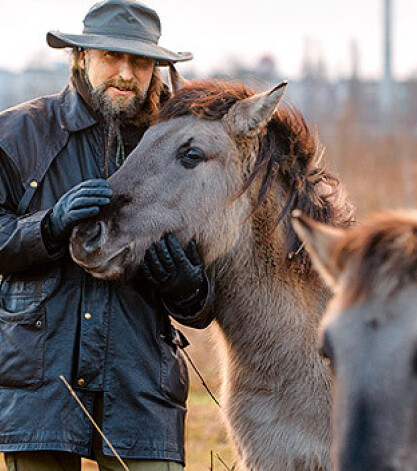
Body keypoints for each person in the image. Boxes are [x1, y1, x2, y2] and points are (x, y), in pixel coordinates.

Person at [0, 1, 215, 469]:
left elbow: (204, 301)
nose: (124, 73)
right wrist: (49, 226)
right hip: (38, 387)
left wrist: (187, 286)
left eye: (139, 61)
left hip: (140, 387)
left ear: (155, 69)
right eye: (110, 57)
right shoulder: (18, 134)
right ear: (80, 57)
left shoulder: (184, 153)